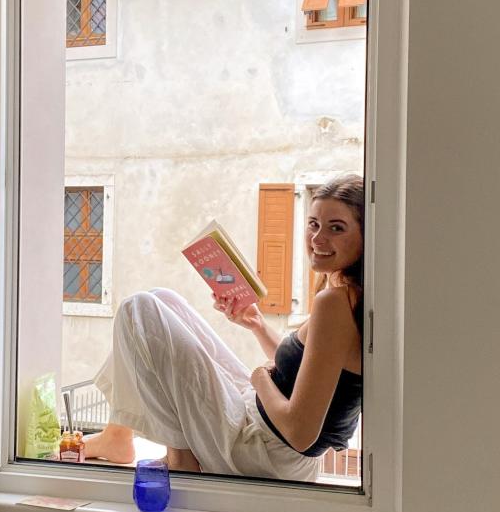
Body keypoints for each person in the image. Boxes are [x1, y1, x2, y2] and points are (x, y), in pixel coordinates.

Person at [82, 173, 364, 481]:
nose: (318, 239)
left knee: (138, 309)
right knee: (164, 300)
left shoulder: (334, 303)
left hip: (262, 453)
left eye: (336, 228)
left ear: (366, 234)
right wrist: (256, 325)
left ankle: (180, 458)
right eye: (313, 224)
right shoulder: (346, 294)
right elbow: (305, 373)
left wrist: (259, 378)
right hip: (267, 437)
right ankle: (117, 434)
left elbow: (300, 433)